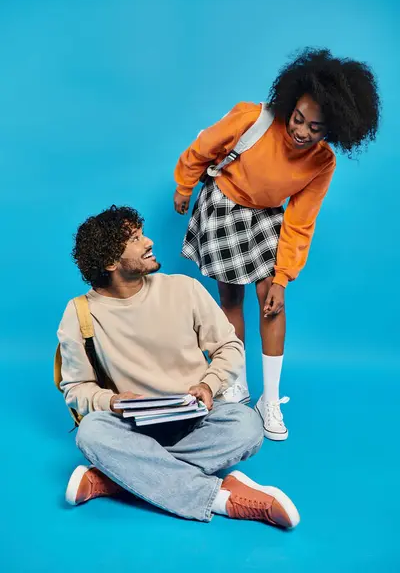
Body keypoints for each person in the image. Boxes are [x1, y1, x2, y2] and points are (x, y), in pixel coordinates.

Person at [173, 47, 381, 441]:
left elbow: (301, 222)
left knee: (271, 299)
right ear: (289, 104)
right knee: (230, 300)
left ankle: (269, 398)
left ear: (333, 130)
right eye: (298, 119)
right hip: (225, 206)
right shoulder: (254, 118)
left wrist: (283, 278)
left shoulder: (322, 163)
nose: (301, 131)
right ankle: (235, 380)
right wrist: (184, 185)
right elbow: (203, 147)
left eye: (315, 128)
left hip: (266, 217)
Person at [58, 205, 300, 528]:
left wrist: (209, 385)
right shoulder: (79, 315)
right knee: (90, 432)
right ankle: (222, 498)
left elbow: (230, 347)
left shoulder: (183, 290)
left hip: (196, 421)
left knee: (247, 426)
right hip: (131, 428)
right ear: (110, 262)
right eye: (135, 238)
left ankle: (119, 478)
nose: (149, 242)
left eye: (142, 233)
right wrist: (112, 401)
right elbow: (75, 387)